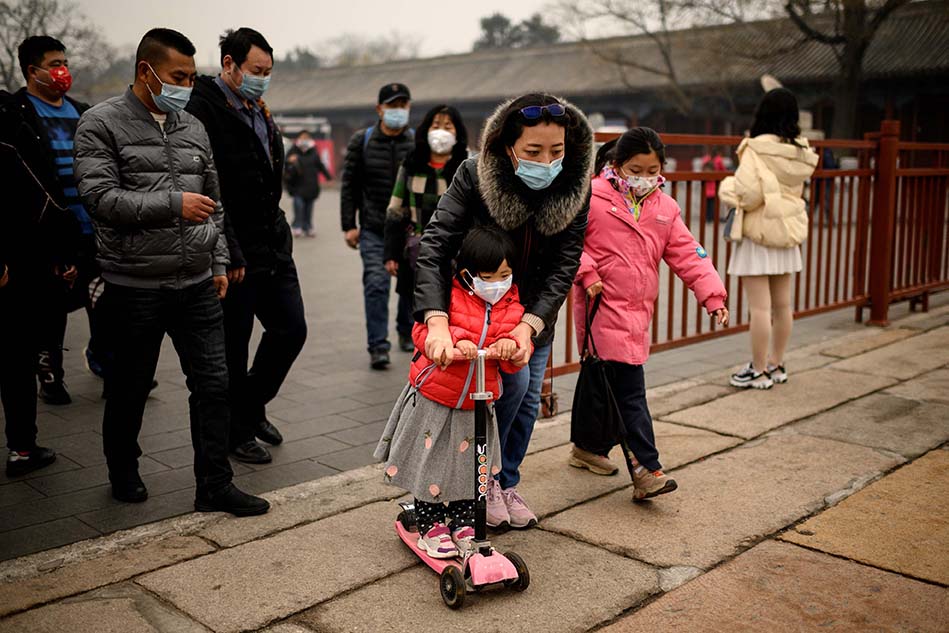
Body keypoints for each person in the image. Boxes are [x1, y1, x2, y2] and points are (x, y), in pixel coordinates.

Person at [73, 27, 269, 515]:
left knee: (213, 384)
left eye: (190, 74)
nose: (187, 84)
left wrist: (219, 261)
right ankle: (123, 467)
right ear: (147, 71)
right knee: (130, 386)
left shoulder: (191, 126)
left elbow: (215, 204)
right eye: (178, 76)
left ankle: (214, 485)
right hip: (132, 285)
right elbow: (100, 200)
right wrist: (172, 204)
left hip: (197, 283)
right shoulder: (101, 124)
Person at [414, 93, 593, 529]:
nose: (547, 161)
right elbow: (435, 245)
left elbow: (565, 262)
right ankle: (472, 483)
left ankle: (503, 482)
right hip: (483, 310)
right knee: (500, 395)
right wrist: (436, 321)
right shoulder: (475, 174)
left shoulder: (574, 186)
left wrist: (532, 327)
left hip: (531, 318)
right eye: (533, 152)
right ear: (508, 146)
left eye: (557, 151)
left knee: (528, 397)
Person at [569, 127, 729, 500]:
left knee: (601, 379)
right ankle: (646, 468)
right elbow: (567, 243)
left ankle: (587, 447)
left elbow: (689, 254)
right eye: (634, 169)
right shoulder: (591, 198)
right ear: (617, 165)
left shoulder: (664, 208)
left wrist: (713, 297)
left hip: (638, 311)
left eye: (651, 169)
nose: (642, 178)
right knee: (629, 390)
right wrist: (588, 272)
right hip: (601, 305)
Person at [186, 27, 305, 464]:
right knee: (233, 347)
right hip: (233, 250)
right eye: (256, 70)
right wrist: (229, 249)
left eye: (268, 71)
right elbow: (210, 188)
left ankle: (251, 407)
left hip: (272, 243)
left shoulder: (259, 108)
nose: (262, 78)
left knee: (292, 328)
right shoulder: (203, 110)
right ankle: (237, 432)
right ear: (229, 64)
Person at [374, 227, 528, 557]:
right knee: (432, 461)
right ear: (467, 274)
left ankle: (463, 522)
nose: (498, 283)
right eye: (489, 276)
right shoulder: (448, 298)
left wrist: (510, 347)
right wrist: (454, 341)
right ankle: (431, 525)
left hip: (477, 403)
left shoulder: (512, 306)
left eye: (505, 275)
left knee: (470, 467)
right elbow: (422, 333)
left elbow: (514, 360)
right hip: (437, 398)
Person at [0, 35, 96, 406]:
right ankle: (50, 373)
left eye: (65, 63)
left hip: (90, 226)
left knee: (103, 298)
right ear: (32, 71)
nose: (63, 71)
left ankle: (105, 360)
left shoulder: (83, 112)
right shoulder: (17, 114)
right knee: (50, 310)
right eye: (55, 64)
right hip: (45, 230)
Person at [719, 88, 818, 389]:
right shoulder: (801, 150)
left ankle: (758, 370)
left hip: (759, 232)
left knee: (759, 308)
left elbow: (747, 195)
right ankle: (777, 364)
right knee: (782, 306)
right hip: (786, 232)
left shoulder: (755, 148)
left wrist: (726, 186)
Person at [1, 141, 78, 476]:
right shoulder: (5, 153)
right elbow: (41, 208)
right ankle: (21, 449)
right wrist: (62, 255)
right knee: (16, 363)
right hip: (13, 280)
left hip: (15, 275)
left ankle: (22, 448)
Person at [341, 83, 415, 369]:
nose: (398, 111)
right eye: (392, 105)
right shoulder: (363, 140)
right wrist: (349, 225)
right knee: (376, 284)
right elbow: (349, 185)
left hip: (408, 229)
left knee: (409, 284)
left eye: (403, 105)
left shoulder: (416, 142)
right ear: (379, 109)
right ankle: (378, 345)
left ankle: (406, 330)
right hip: (373, 227)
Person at [383, 104, 469, 347]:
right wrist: (391, 252)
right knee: (412, 292)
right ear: (426, 129)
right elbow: (396, 208)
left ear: (457, 132)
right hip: (416, 244)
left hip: (456, 247)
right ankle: (410, 335)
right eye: (436, 125)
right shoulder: (411, 162)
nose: (441, 131)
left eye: (447, 126)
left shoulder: (467, 165)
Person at [285, 130, 332, 237]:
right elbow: (285, 165)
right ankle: (297, 226)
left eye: (306, 137)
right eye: (302, 137)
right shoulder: (293, 151)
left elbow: (320, 166)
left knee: (308, 207)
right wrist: (289, 161)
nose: (304, 140)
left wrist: (328, 177)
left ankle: (308, 226)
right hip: (297, 185)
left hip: (311, 185)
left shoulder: (314, 152)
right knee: (299, 206)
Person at [701, 148, 726, 222]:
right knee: (713, 202)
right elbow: (723, 170)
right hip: (714, 182)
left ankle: (708, 216)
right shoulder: (718, 160)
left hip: (706, 183)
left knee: (707, 202)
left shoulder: (706, 159)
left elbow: (702, 168)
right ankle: (712, 216)